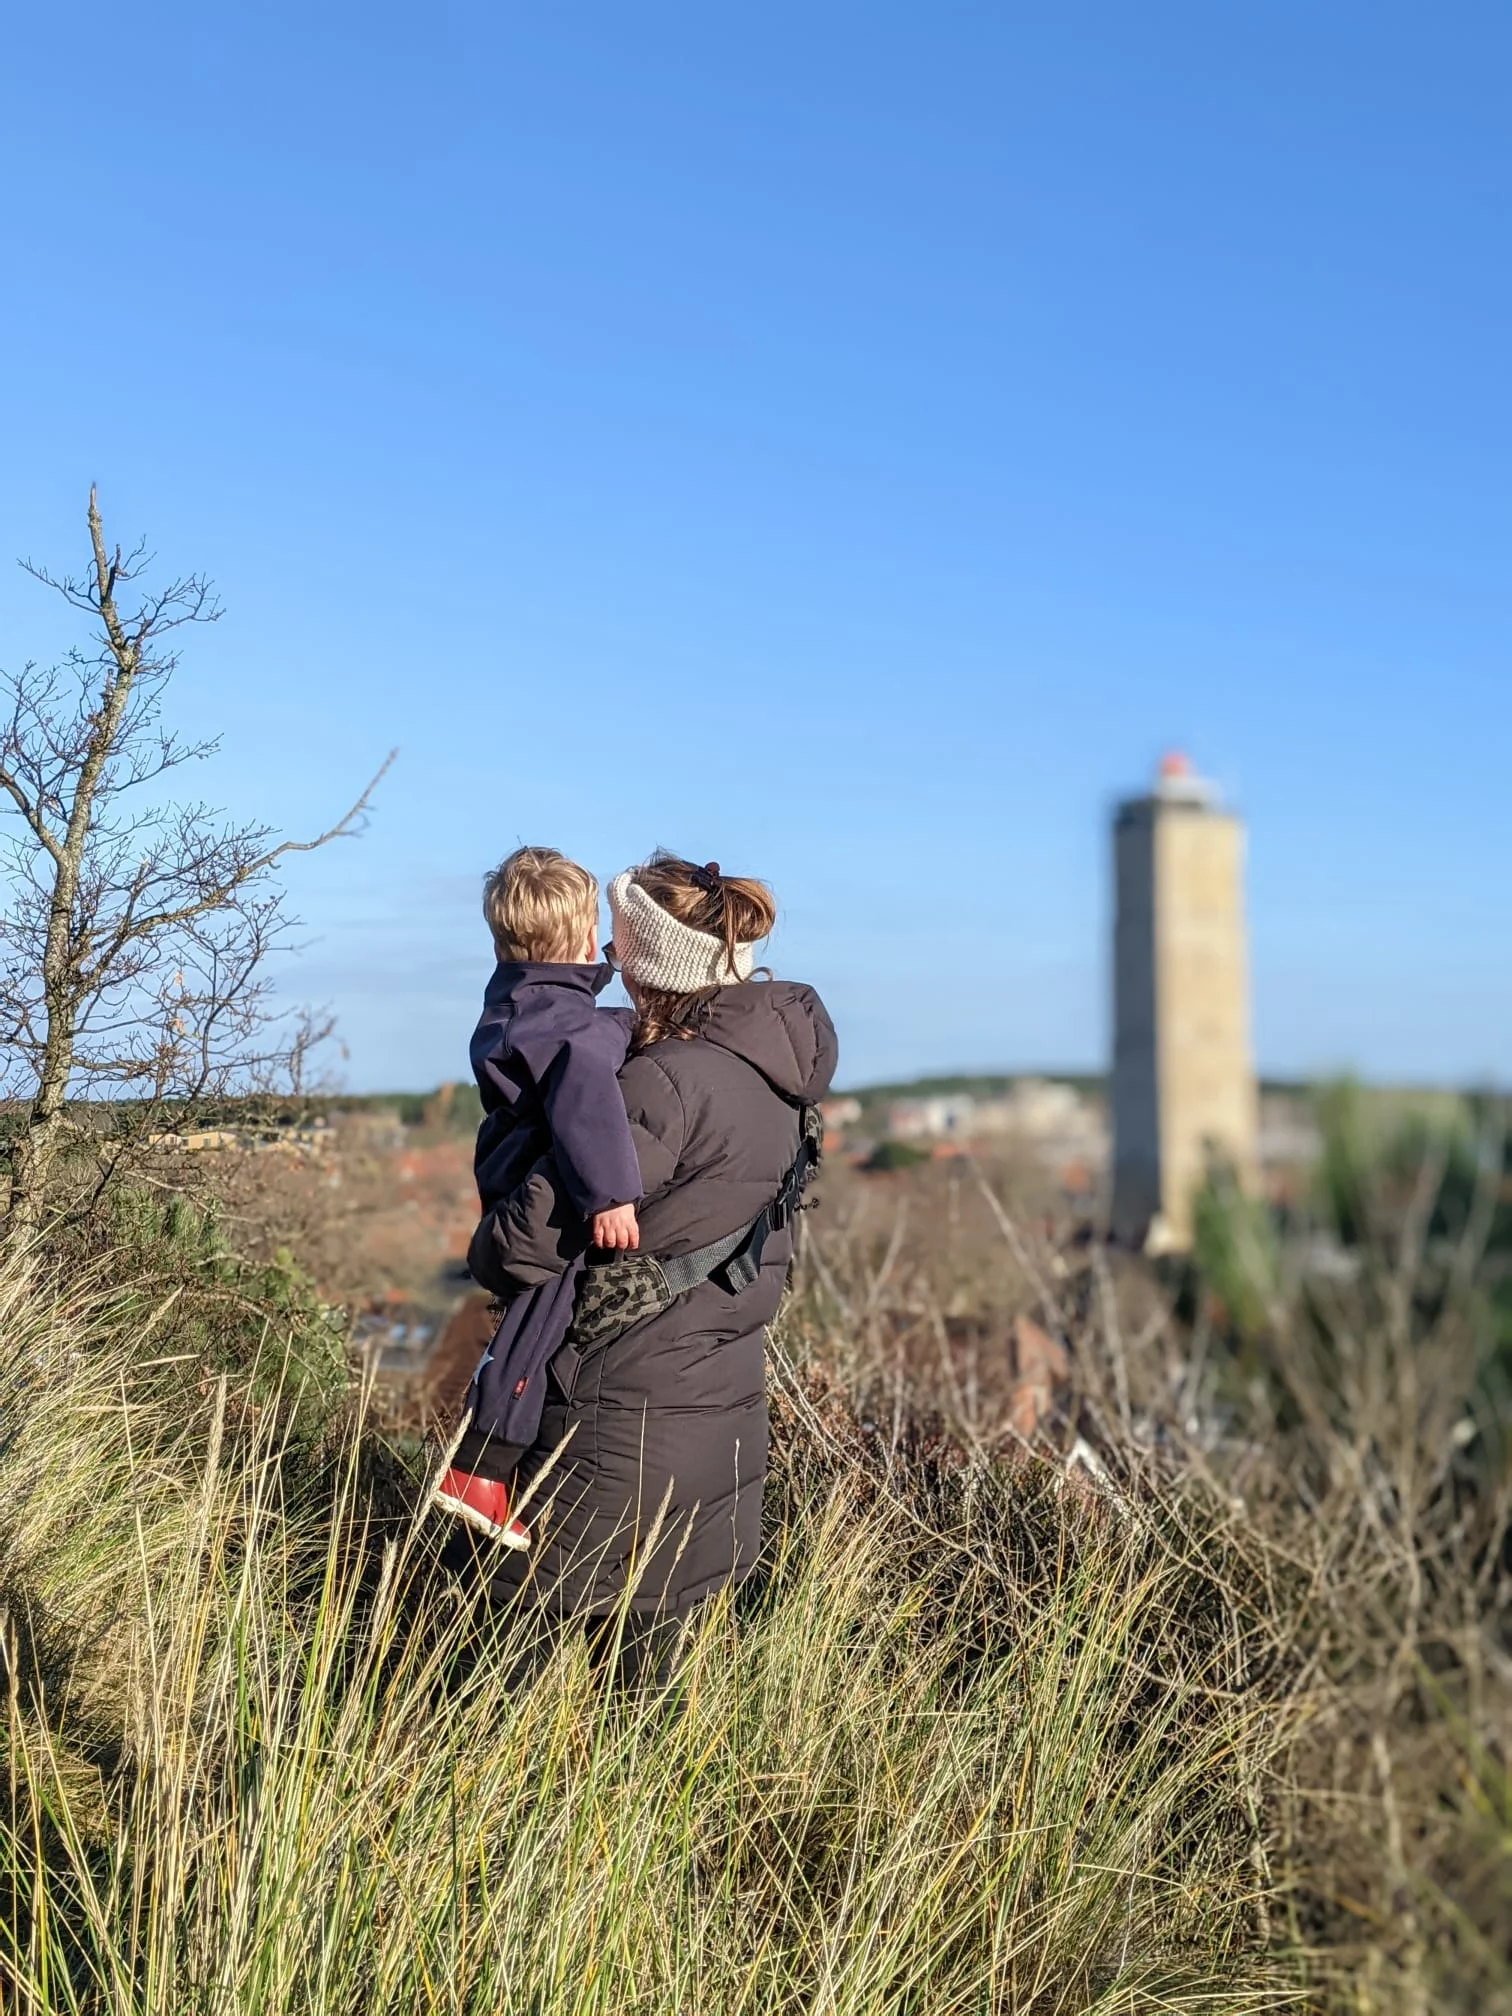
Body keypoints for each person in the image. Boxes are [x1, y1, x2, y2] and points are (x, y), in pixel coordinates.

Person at [458, 851, 838, 1681]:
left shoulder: (657, 1084)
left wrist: (486, 1233)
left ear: (650, 962)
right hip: (716, 1413)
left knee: (500, 1672)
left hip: (616, 1422)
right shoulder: (774, 1077)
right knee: (645, 1685)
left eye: (619, 941)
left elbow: (524, 1246)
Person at [432, 846, 644, 1547]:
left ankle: (486, 1465)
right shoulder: (568, 1024)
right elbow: (583, 1092)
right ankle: (480, 1466)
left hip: (506, 1171)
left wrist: (608, 1000)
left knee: (527, 1316)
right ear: (586, 936)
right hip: (540, 1188)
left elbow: (568, 1032)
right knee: (540, 1317)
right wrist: (611, 1194)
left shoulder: (521, 997)